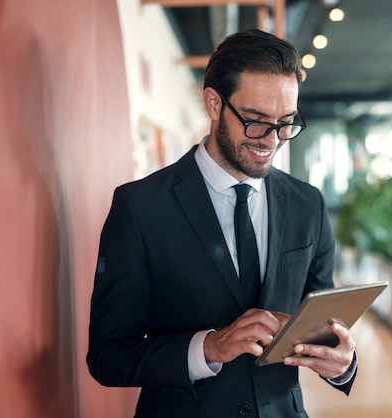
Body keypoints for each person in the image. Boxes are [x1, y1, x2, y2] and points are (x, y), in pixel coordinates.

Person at [87, 28, 358, 418]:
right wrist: (209, 347)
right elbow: (108, 356)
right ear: (213, 104)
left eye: (286, 123)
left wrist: (342, 362)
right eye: (256, 120)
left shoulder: (308, 204)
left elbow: (321, 323)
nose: (273, 140)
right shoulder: (139, 206)